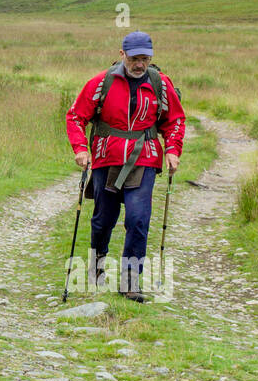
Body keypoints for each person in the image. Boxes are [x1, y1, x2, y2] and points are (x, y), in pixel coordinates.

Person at [65, 31, 185, 302]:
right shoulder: (101, 82)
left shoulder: (160, 84)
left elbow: (175, 120)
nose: (139, 64)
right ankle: (98, 262)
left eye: (145, 58)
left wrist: (173, 150)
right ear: (122, 55)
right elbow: (75, 116)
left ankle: (130, 282)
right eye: (134, 58)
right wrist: (81, 149)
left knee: (138, 219)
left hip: (144, 157)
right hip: (107, 156)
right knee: (102, 220)